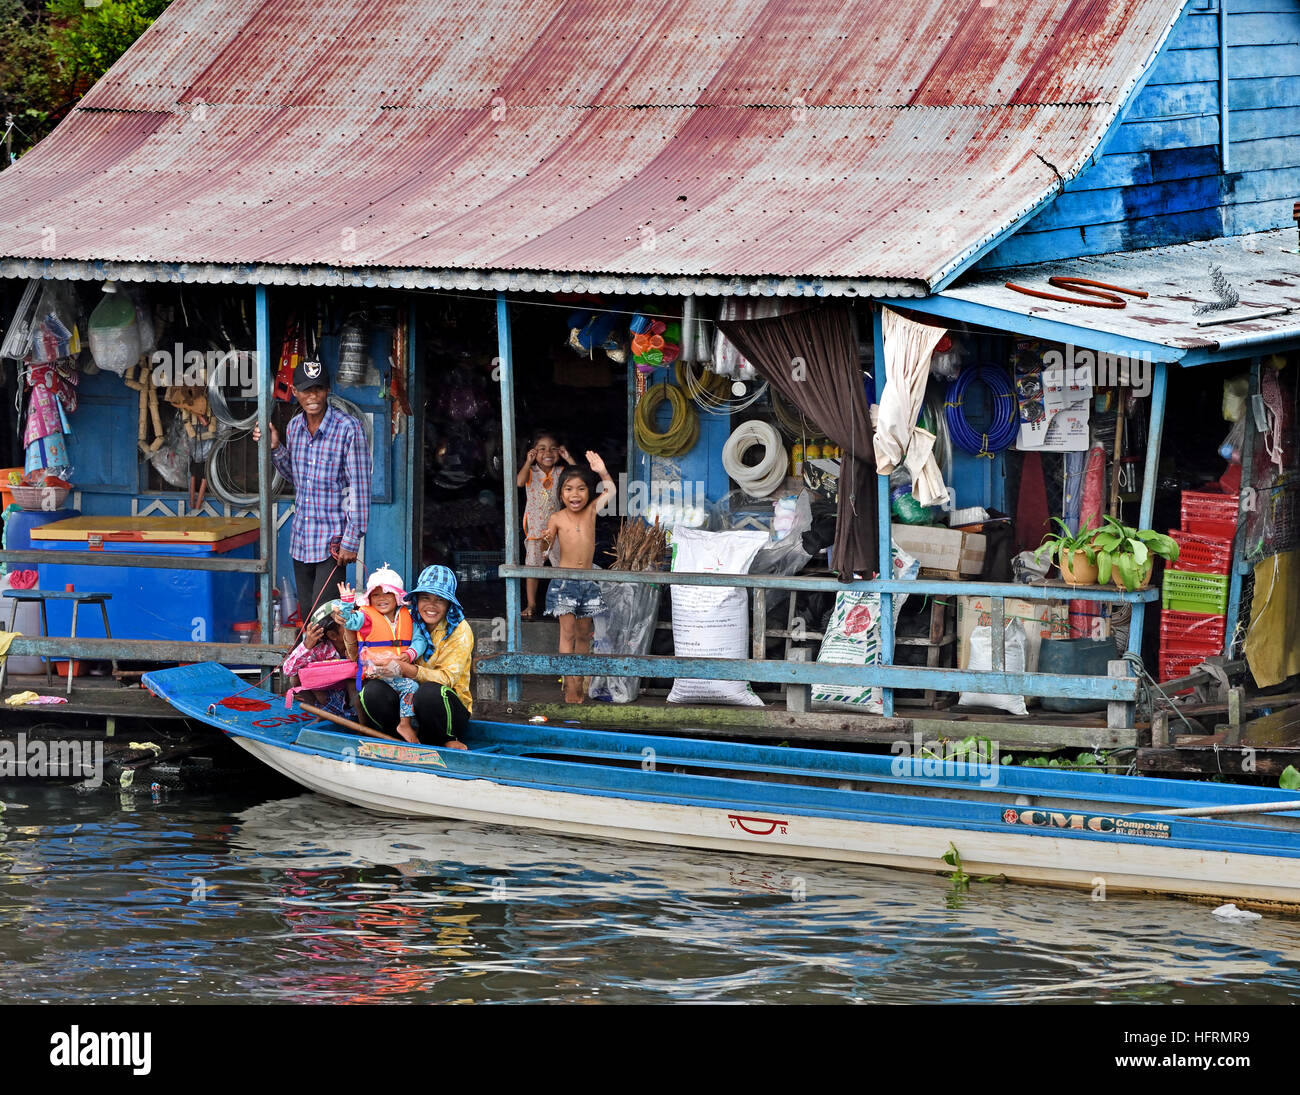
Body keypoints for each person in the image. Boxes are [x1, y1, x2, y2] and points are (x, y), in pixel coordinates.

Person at [255, 359, 371, 620]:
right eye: (306, 390)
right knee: (308, 614)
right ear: (295, 392)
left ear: (328, 390)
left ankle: (329, 661)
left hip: (333, 542)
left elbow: (360, 489)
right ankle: (310, 661)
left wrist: (352, 540)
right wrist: (275, 448)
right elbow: (297, 478)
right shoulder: (294, 427)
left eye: (318, 388)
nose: (312, 396)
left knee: (325, 615)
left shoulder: (348, 428)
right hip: (302, 539)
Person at [355, 566, 475, 749]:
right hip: (409, 708)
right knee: (372, 691)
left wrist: (405, 669)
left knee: (428, 692)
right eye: (425, 598)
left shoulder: (460, 631)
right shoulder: (409, 619)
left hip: (444, 710)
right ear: (417, 600)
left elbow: (447, 679)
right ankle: (398, 736)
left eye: (440, 600)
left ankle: (446, 738)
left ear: (449, 605)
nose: (431, 606)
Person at [540, 451, 616, 704]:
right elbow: (545, 547)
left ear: (588, 492)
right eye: (569, 489)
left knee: (585, 634)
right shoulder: (556, 518)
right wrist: (545, 542)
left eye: (581, 489)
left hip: (588, 582)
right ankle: (569, 684)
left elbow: (612, 492)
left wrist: (602, 471)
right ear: (561, 494)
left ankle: (581, 681)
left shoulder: (592, 511)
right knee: (568, 634)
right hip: (565, 582)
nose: (575, 494)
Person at [334, 566, 427, 743]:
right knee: (411, 687)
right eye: (375, 595)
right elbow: (350, 622)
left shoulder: (409, 615)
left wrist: (410, 653)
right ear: (369, 598)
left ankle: (410, 728)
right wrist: (346, 603)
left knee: (418, 689)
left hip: (402, 669)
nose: (381, 599)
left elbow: (419, 639)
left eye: (387, 594)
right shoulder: (366, 617)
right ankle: (404, 725)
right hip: (377, 670)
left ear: (397, 596)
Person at [515, 431, 571, 619]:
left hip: (558, 532)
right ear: (533, 452)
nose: (548, 452)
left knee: (561, 569)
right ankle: (531, 605)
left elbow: (580, 476)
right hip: (535, 532)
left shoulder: (561, 472)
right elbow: (519, 482)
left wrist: (568, 457)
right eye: (542, 449)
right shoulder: (530, 472)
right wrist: (527, 462)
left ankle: (562, 605)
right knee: (532, 570)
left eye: (553, 449)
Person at [281, 598, 357, 718]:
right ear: (332, 635)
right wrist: (307, 645)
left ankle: (360, 721)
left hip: (355, 700)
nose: (354, 624)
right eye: (346, 622)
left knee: (352, 680)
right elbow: (288, 670)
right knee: (296, 677)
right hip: (328, 700)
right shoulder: (322, 649)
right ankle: (320, 714)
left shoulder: (363, 641)